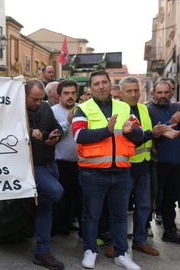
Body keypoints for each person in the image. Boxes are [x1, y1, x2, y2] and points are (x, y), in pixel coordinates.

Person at [72, 70, 143, 270]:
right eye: (96, 84)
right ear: (90, 88)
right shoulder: (83, 109)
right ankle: (90, 250)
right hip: (93, 172)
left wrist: (133, 130)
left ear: (111, 84)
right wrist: (107, 131)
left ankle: (122, 254)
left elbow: (137, 135)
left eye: (104, 82)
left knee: (120, 215)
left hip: (121, 171)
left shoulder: (123, 107)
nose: (101, 86)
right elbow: (79, 135)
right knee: (91, 215)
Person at [120, 76, 169, 256]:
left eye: (136, 90)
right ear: (122, 92)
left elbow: (149, 135)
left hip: (143, 166)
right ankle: (116, 242)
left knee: (144, 205)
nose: (133, 94)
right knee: (120, 207)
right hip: (124, 167)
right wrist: (151, 134)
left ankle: (140, 241)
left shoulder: (143, 109)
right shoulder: (118, 110)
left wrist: (162, 132)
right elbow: (132, 137)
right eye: (129, 91)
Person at [26, 78, 65, 270]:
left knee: (45, 207)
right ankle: (42, 249)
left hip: (50, 163)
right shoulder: (15, 110)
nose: (38, 103)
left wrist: (55, 135)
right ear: (24, 95)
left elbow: (57, 128)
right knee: (55, 192)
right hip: (33, 166)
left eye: (41, 99)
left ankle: (42, 251)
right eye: (34, 99)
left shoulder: (45, 108)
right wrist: (30, 131)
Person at [147, 79, 180, 244]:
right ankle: (144, 230)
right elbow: (150, 134)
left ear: (171, 93)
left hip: (175, 162)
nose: (163, 96)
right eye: (159, 93)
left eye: (166, 92)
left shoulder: (177, 107)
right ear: (152, 93)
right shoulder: (147, 110)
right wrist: (171, 123)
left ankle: (169, 231)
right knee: (148, 198)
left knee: (170, 199)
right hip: (156, 163)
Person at [51, 79, 82, 236]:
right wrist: (67, 122)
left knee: (76, 198)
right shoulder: (53, 111)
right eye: (66, 93)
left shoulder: (82, 110)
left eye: (73, 93)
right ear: (59, 96)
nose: (70, 96)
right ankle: (58, 226)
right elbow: (53, 136)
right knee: (60, 197)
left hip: (79, 163)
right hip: (59, 163)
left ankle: (70, 222)